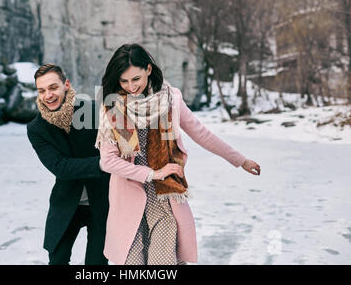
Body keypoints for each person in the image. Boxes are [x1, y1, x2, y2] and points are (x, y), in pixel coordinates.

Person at [95, 44, 261, 265]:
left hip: (164, 199)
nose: (131, 86)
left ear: (148, 69)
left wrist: (240, 160)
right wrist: (152, 173)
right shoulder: (114, 107)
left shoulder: (170, 99)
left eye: (136, 79)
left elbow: (201, 133)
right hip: (128, 199)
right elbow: (108, 161)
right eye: (124, 81)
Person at [27, 63, 110, 265]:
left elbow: (124, 144)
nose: (48, 95)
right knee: (57, 260)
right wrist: (104, 163)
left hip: (102, 202)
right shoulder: (36, 129)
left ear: (66, 84)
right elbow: (60, 167)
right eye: (42, 90)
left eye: (53, 87)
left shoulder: (93, 111)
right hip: (65, 203)